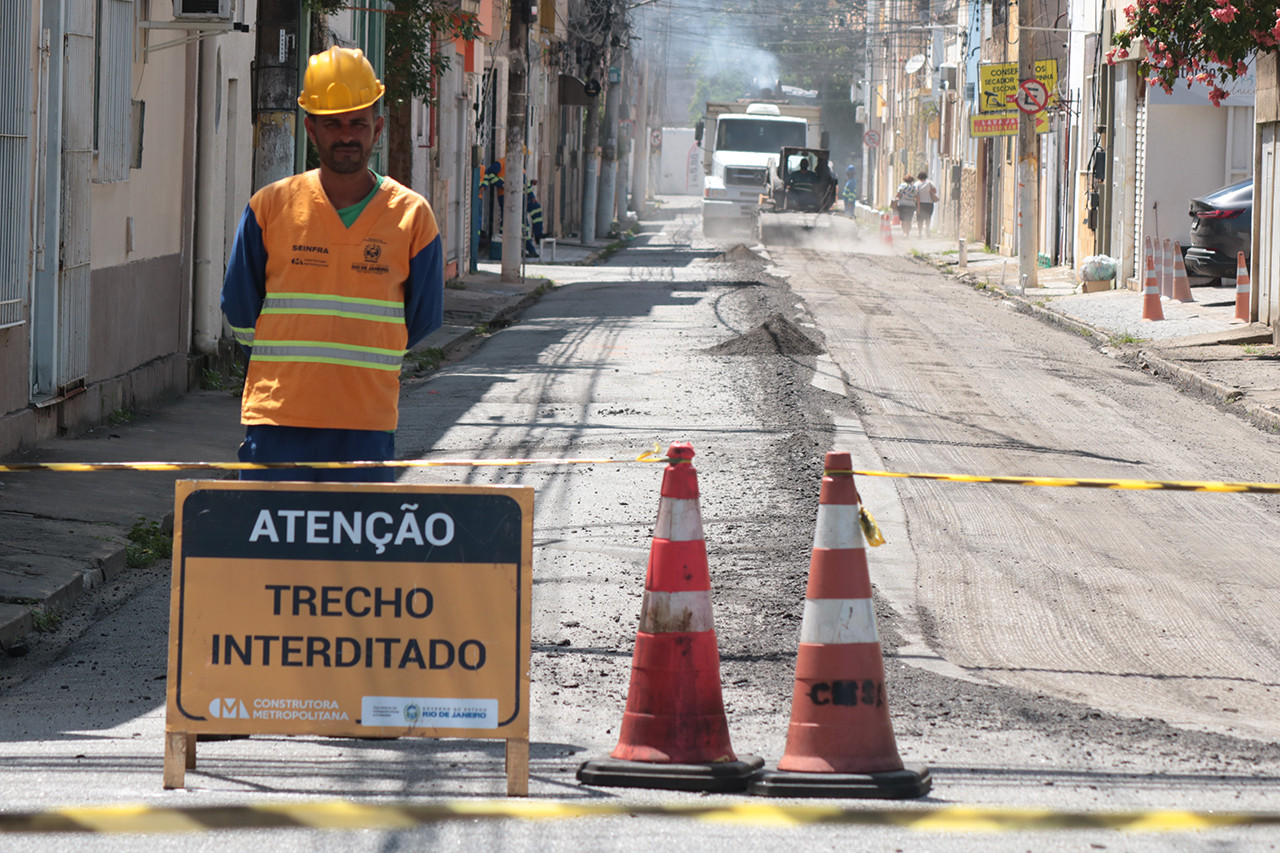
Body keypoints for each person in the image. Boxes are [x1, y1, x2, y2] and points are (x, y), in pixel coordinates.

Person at [221, 46, 444, 482]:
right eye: (333, 123)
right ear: (311, 129)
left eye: (358, 122)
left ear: (377, 128)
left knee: (353, 552)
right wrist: (283, 367)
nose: (347, 134)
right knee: (271, 551)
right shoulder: (270, 207)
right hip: (278, 419)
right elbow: (240, 307)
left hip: (365, 423)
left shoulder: (412, 216)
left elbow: (422, 318)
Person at [915, 170, 939, 236]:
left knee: (920, 219)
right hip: (929, 203)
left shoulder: (917, 184)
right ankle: (927, 229)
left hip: (920, 203)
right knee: (928, 217)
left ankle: (919, 233)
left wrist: (918, 207)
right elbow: (935, 191)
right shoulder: (930, 183)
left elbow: (916, 196)